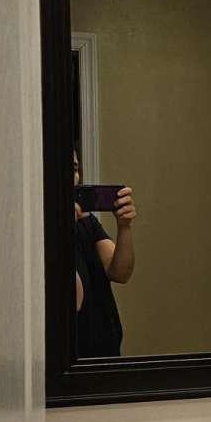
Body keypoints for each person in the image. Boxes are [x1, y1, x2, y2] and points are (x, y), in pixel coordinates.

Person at [72, 151, 136, 357]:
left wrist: (124, 226)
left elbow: (120, 272)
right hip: (72, 362)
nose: (73, 176)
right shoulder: (36, 232)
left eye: (74, 169)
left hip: (106, 354)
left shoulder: (87, 223)